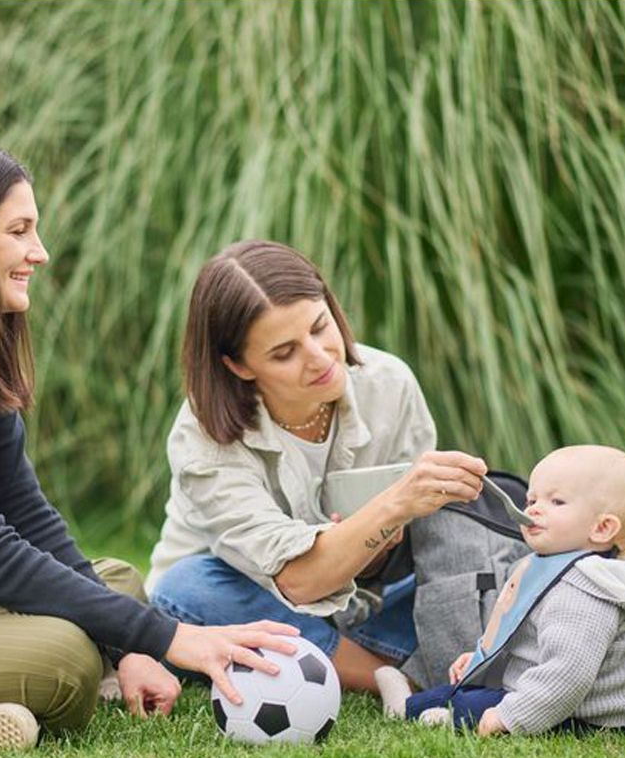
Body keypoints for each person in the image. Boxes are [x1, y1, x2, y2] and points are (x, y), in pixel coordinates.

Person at [0, 141, 299, 750]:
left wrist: (128, 646)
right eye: (19, 231)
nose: (40, 252)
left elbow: (29, 519)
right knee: (63, 655)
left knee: (115, 580)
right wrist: (168, 638)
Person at [146, 239, 488, 692]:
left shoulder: (389, 383)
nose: (320, 356)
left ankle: (358, 656)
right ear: (239, 366)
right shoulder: (203, 434)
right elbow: (298, 581)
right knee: (186, 588)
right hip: (244, 601)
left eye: (320, 326)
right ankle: (392, 673)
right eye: (284, 353)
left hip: (359, 603)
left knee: (464, 571)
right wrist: (392, 506)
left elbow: (393, 559)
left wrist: (386, 541)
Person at [375, 444, 625, 735]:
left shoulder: (586, 592)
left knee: (474, 704)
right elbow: (524, 638)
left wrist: (509, 717)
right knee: (456, 692)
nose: (534, 509)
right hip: (535, 690)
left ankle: (446, 717)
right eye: (532, 499)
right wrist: (479, 658)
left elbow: (568, 676)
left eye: (557, 501)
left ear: (602, 528)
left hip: (581, 714)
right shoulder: (552, 567)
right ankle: (406, 708)